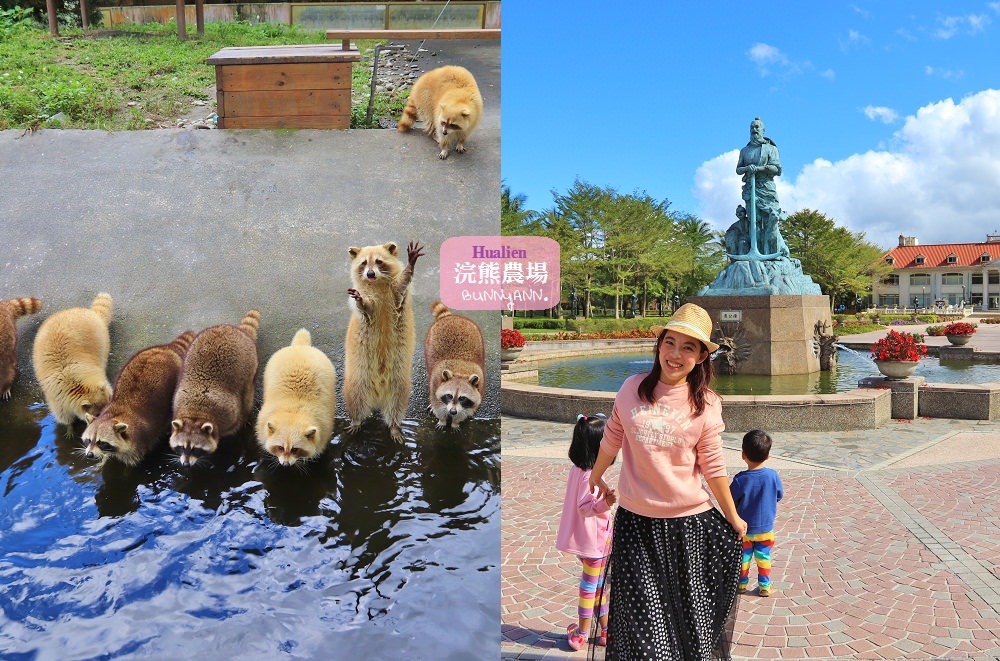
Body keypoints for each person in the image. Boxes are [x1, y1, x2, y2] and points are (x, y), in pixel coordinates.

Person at [589, 303, 747, 660]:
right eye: (670, 342)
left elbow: (713, 466)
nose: (675, 355)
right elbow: (613, 436)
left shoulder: (706, 404)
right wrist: (596, 475)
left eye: (688, 347)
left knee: (689, 625)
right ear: (659, 344)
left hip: (687, 527)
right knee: (645, 628)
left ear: (703, 356)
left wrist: (733, 516)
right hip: (635, 525)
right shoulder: (631, 389)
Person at [556, 413, 617, 651]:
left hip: (586, 542)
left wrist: (602, 486)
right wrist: (605, 503)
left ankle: (605, 630)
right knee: (591, 587)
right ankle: (583, 633)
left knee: (597, 585)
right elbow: (585, 507)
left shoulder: (578, 470)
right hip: (596, 542)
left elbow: (591, 485)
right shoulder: (587, 476)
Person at [730, 429, 784, 597]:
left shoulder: (740, 479)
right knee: (764, 558)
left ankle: (741, 585)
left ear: (743, 454)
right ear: (768, 455)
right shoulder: (772, 476)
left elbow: (732, 501)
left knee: (744, 559)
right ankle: (764, 586)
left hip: (744, 531)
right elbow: (779, 495)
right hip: (765, 529)